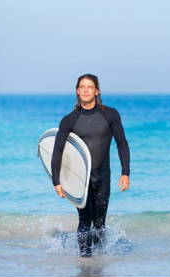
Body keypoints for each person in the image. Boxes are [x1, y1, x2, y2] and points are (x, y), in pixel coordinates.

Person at [51, 74, 130, 257]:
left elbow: (122, 143)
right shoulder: (69, 120)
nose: (86, 90)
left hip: (103, 176)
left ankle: (99, 262)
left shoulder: (110, 115)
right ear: (77, 91)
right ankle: (85, 260)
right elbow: (57, 150)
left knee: (100, 223)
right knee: (85, 220)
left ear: (97, 91)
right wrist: (57, 180)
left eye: (90, 86)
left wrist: (125, 172)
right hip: (80, 179)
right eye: (82, 86)